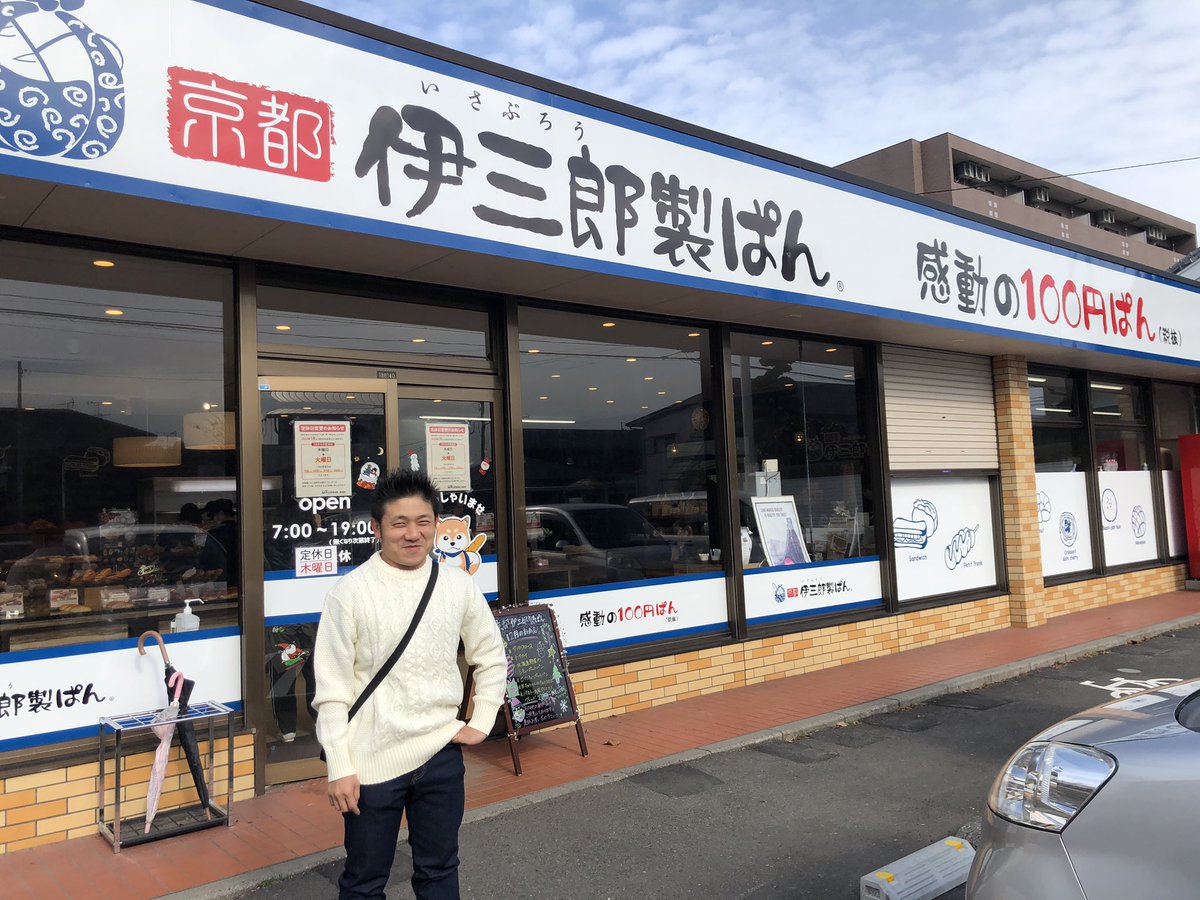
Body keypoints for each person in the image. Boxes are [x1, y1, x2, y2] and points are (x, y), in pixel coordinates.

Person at [314, 469, 506, 900]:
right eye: (399, 523)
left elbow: (491, 654)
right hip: (371, 762)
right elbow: (332, 690)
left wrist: (482, 719)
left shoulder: (457, 585)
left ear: (436, 524)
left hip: (440, 755)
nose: (413, 533)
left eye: (423, 521)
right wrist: (340, 766)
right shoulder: (350, 593)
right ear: (376, 528)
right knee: (364, 881)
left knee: (439, 871)